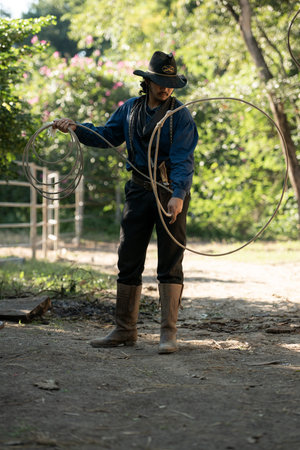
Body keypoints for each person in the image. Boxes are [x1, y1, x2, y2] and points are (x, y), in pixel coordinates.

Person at [53, 51, 198, 354]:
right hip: (137, 191)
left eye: (170, 83)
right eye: (160, 82)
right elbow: (106, 136)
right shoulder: (129, 110)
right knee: (128, 258)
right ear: (148, 81)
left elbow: (184, 160)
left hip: (169, 193)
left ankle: (168, 334)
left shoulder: (180, 116)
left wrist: (178, 195)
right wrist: (77, 128)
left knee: (171, 261)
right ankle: (124, 330)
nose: (166, 88)